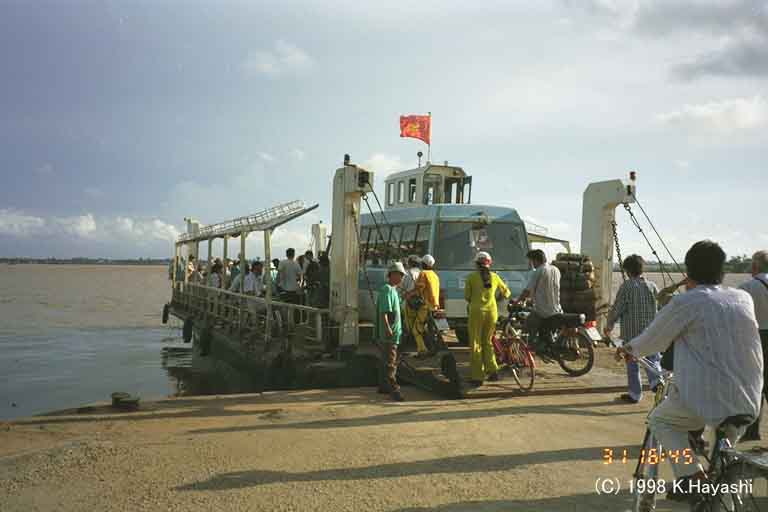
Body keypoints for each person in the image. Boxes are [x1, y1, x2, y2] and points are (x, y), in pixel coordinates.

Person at [615, 240, 763, 505]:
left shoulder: (687, 300)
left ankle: (692, 475)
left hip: (706, 398)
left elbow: (653, 341)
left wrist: (629, 349)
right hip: (749, 399)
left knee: (662, 421)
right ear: (722, 271)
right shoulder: (742, 297)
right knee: (723, 470)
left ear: (688, 272)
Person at [605, 255, 663, 404]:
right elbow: (661, 308)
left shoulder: (627, 287)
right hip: (651, 332)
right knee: (652, 359)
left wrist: (609, 325)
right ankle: (657, 382)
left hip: (632, 334)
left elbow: (618, 308)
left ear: (627, 271)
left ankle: (635, 394)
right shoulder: (652, 286)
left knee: (632, 364)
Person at [464, 252, 511, 385]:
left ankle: (478, 376)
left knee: (475, 343)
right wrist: (496, 299)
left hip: (476, 312)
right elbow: (507, 292)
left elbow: (467, 296)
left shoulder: (471, 277)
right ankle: (493, 371)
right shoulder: (495, 277)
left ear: (476, 264)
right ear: (489, 263)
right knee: (488, 342)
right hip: (492, 312)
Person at [742, 250, 768, 441]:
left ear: (755, 266)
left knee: (755, 385)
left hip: (756, 338)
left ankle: (752, 432)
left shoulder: (747, 287)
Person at [512, 249, 562, 349]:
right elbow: (546, 288)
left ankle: (528, 351)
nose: (531, 264)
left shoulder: (539, 271)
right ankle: (543, 345)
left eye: (531, 261)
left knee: (526, 328)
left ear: (536, 260)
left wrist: (517, 301)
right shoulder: (555, 269)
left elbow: (527, 290)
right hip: (557, 309)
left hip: (542, 310)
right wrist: (531, 299)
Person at [376, 261, 406, 402]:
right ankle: (394, 390)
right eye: (400, 275)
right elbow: (384, 312)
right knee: (390, 363)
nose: (402, 278)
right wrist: (387, 328)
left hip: (394, 333)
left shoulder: (393, 290)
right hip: (390, 334)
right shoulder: (387, 289)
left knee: (386, 361)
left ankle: (383, 386)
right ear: (392, 275)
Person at [405, 254, 440, 356]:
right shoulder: (435, 275)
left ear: (423, 264)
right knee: (429, 330)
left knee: (416, 329)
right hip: (435, 307)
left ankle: (422, 350)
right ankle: (431, 349)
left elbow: (419, 288)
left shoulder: (423, 274)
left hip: (425, 306)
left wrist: (408, 294)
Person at [278, 248, 303, 326]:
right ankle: (295, 325)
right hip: (294, 290)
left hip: (284, 289)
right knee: (295, 308)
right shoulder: (296, 264)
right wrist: (300, 286)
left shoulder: (282, 262)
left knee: (285, 308)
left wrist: (279, 284)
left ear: (286, 254)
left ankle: (285, 324)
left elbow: (279, 275)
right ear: (293, 254)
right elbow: (300, 276)